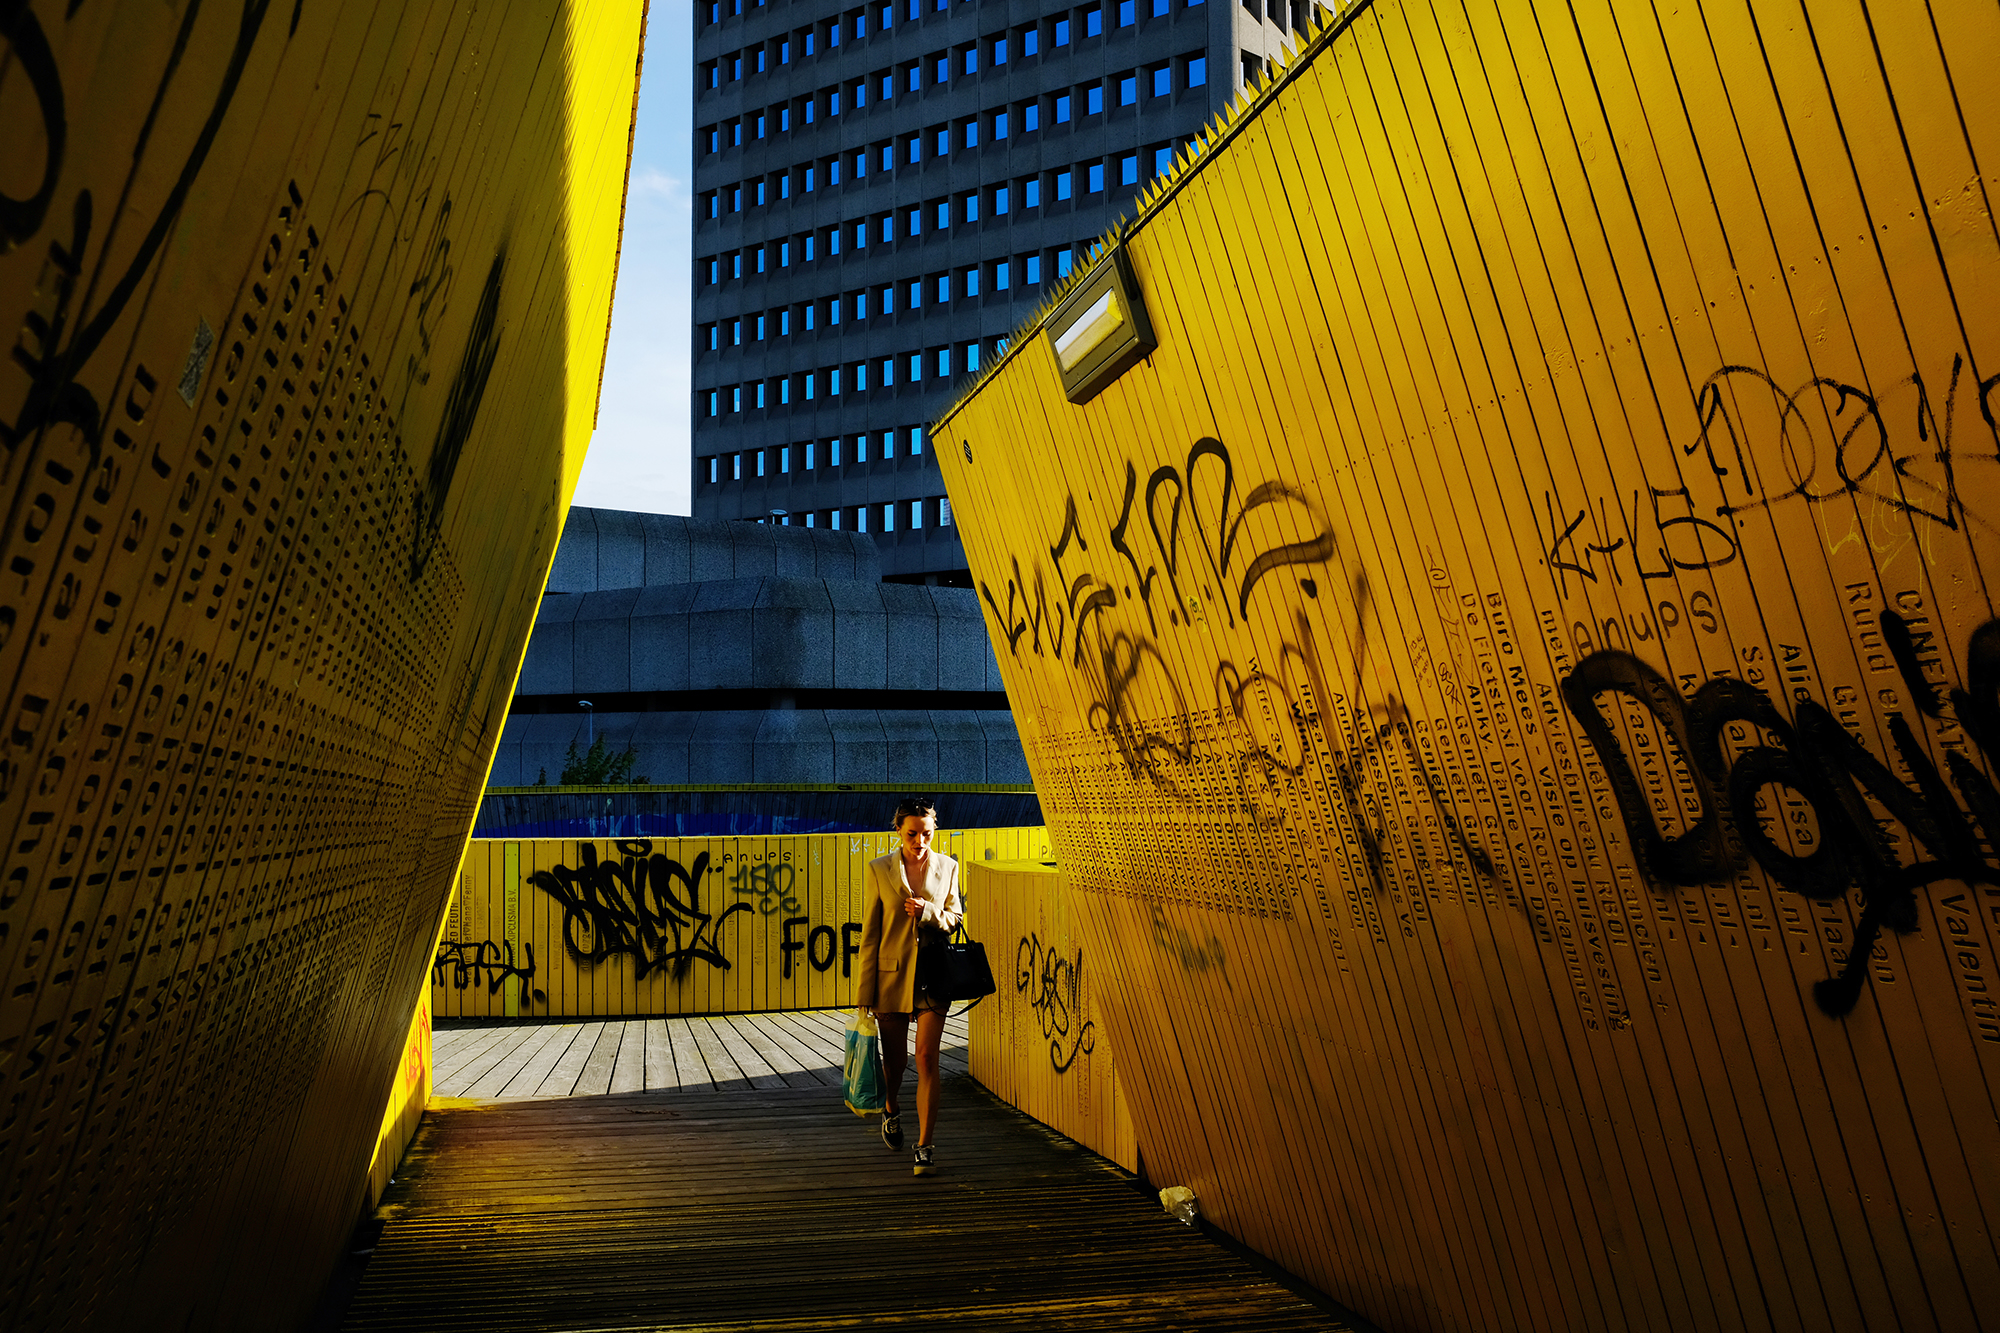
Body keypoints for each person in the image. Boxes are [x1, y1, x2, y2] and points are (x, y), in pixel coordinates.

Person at [854, 795, 960, 1176]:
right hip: (890, 977)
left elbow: (955, 917)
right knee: (895, 1063)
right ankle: (891, 1107)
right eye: (913, 833)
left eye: (927, 834)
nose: (920, 841)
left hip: (933, 976)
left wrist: (928, 912)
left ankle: (925, 1146)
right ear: (898, 829)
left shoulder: (948, 867)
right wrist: (864, 993)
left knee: (927, 1058)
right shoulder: (878, 869)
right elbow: (870, 935)